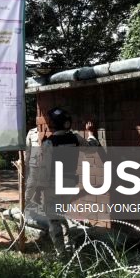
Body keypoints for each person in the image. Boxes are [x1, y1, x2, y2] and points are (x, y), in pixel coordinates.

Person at [41, 107, 99, 256]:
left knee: (54, 220)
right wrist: (91, 133)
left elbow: (45, 168)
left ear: (53, 124)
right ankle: (69, 247)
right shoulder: (75, 138)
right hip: (68, 184)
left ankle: (62, 253)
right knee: (61, 215)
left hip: (53, 185)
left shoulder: (49, 143)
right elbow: (93, 149)